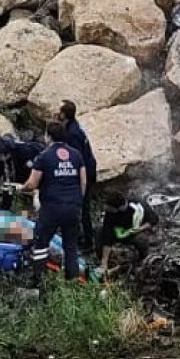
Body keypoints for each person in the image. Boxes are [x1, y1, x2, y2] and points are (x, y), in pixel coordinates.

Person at [19, 122, 86, 284]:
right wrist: (77, 201)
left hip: (52, 207)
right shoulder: (76, 155)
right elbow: (83, 182)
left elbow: (32, 184)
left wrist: (21, 189)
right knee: (70, 246)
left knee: (41, 243)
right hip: (73, 207)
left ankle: (38, 279)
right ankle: (73, 281)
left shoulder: (44, 156)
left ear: (48, 136)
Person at [58, 99, 98, 251]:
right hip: (88, 169)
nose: (57, 113)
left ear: (64, 114)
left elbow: (77, 158)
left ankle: (88, 242)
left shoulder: (72, 133)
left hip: (86, 173)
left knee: (83, 208)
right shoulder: (72, 126)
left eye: (59, 111)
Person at [98, 193, 159, 273]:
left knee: (141, 239)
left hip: (135, 230)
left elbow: (153, 220)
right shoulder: (110, 212)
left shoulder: (138, 204)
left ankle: (142, 259)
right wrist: (104, 262)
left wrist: (139, 229)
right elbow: (107, 233)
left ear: (119, 208)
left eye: (109, 208)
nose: (107, 209)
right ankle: (103, 260)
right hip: (118, 230)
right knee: (99, 231)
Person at [0, 133, 44, 207]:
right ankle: (5, 208)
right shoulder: (2, 160)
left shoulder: (25, 151)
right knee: (7, 184)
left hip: (34, 179)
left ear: (7, 154)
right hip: (17, 179)